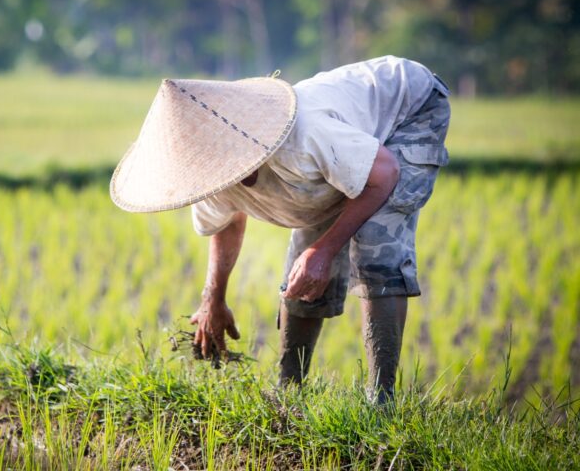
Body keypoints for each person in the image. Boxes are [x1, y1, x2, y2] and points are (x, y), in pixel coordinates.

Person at [110, 55, 450, 403]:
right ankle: (288, 393)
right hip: (342, 150)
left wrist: (326, 249)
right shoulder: (211, 176)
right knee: (301, 266)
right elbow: (224, 224)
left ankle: (381, 401)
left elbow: (384, 174)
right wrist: (213, 298)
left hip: (410, 109)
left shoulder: (301, 140)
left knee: (377, 247)